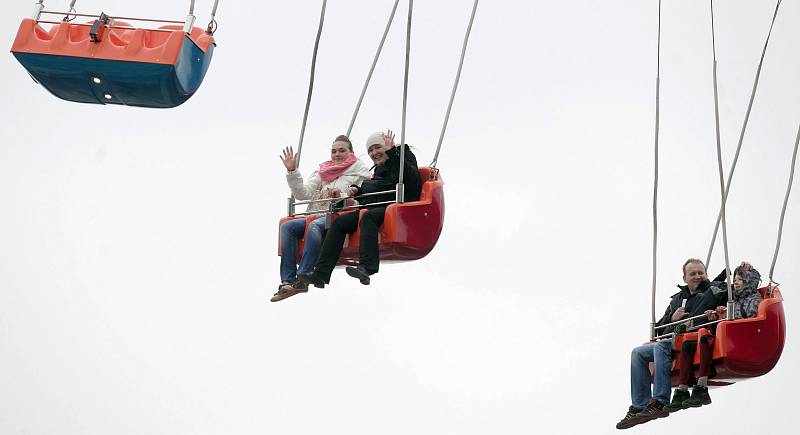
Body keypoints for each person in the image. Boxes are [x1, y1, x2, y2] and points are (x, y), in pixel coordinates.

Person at [298, 129, 422, 287]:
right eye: (371, 150)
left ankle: (366, 267)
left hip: (398, 206)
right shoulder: (378, 167)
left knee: (367, 218)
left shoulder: (402, 157)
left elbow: (411, 178)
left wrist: (393, 153)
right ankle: (321, 273)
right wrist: (358, 190)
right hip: (375, 206)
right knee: (340, 223)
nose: (374, 152)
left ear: (387, 146)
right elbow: (376, 189)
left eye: (378, 147)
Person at [616, 258, 727, 430]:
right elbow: (661, 329)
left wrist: (745, 271)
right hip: (674, 340)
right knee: (638, 352)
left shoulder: (714, 290)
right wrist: (672, 318)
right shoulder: (677, 300)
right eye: (693, 274)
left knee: (661, 347)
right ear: (684, 278)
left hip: (694, 340)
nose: (697, 276)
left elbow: (735, 289)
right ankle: (640, 405)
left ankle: (660, 401)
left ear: (706, 274)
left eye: (701, 273)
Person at [271, 135, 371, 302]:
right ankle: (288, 280)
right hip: (316, 213)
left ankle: (303, 275)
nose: (337, 155)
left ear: (351, 152)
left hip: (341, 214)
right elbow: (303, 194)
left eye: (342, 151)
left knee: (315, 227)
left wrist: (342, 195)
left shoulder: (359, 171)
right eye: (333, 151)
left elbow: (362, 194)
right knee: (287, 227)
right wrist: (292, 172)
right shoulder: (324, 170)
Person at [664, 262, 762, 412]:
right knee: (689, 339)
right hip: (720, 332)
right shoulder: (731, 299)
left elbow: (747, 316)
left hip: (739, 336)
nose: (735, 282)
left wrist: (724, 316)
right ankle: (682, 390)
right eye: (734, 279)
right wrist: (717, 315)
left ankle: (702, 386)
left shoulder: (751, 298)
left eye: (740, 280)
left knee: (703, 334)